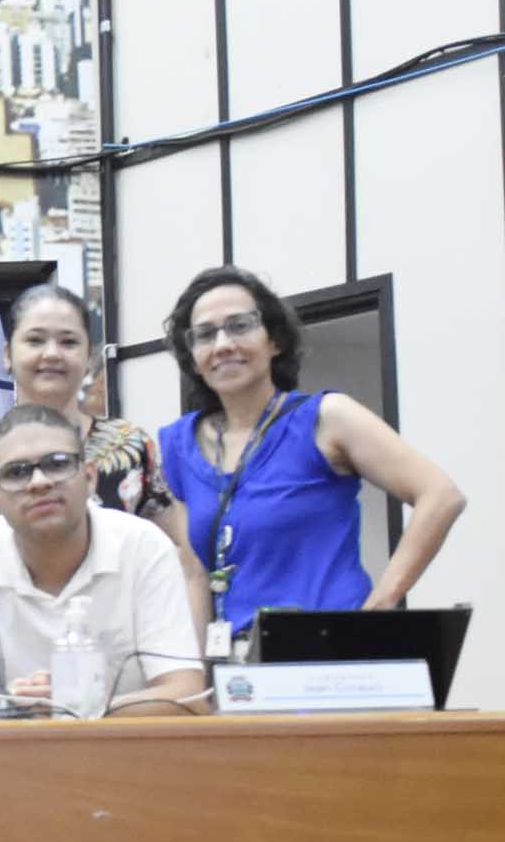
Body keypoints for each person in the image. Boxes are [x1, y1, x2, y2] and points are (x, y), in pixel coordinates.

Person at [158, 265, 466, 639]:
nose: (223, 344)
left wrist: (380, 607)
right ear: (192, 357)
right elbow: (196, 575)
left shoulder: (325, 418)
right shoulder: (177, 445)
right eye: (205, 334)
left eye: (240, 325)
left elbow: (441, 495)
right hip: (239, 676)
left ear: (275, 341)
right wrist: (195, 678)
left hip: (331, 659)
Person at [0, 283, 209, 631]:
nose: (51, 353)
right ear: (8, 354)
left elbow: (182, 554)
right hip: (0, 644)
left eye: (68, 342)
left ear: (89, 357)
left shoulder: (130, 446)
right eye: (35, 340)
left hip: (115, 646)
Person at [0, 404, 205, 716]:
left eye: (57, 464)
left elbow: (187, 694)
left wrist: (82, 705)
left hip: (127, 748)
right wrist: (14, 708)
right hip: (14, 749)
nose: (39, 482)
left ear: (90, 478)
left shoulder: (144, 545)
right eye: (16, 472)